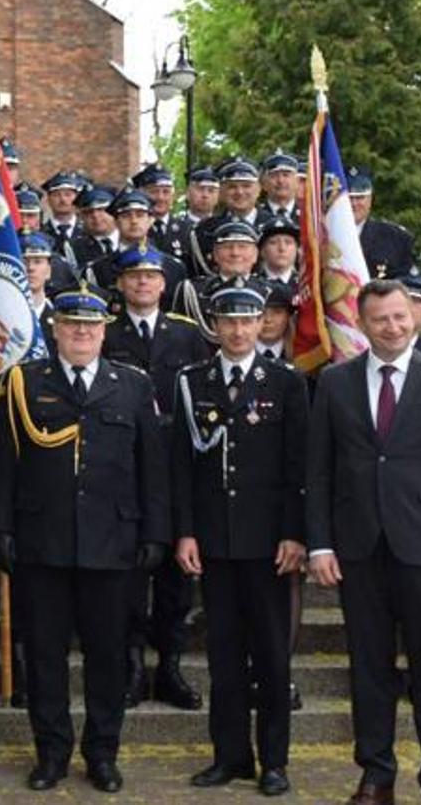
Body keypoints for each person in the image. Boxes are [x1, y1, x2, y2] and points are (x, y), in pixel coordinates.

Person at [306, 279, 421, 805]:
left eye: (400, 316)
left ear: (416, 316)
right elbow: (319, 471)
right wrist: (320, 545)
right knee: (369, 668)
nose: (392, 326)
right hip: (358, 549)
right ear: (362, 323)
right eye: (380, 318)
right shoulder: (335, 383)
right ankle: (376, 774)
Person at [0, 288, 168, 793]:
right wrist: (0, 527)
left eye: (90, 327)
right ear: (56, 330)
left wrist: (156, 531)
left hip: (112, 545)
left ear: (104, 331)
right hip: (41, 542)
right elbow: (4, 463)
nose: (82, 333)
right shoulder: (24, 382)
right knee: (44, 656)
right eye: (72, 326)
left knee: (108, 657)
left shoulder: (131, 385)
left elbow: (151, 466)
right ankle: (51, 753)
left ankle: (102, 753)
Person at [171, 286, 309, 796]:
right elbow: (181, 466)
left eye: (248, 321)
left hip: (269, 544)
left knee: (272, 658)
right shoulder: (192, 381)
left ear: (262, 325)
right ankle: (229, 757)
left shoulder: (286, 383)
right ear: (214, 325)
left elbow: (300, 466)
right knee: (223, 657)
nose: (238, 330)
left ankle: (274, 761)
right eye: (228, 322)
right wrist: (184, 531)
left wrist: (296, 532)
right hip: (214, 542)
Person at [101, 246, 210, 711]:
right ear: (121, 284)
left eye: (151, 276)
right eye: (134, 277)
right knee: (126, 580)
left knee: (174, 583)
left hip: (174, 467)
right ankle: (129, 668)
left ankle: (169, 668)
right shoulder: (104, 332)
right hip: (121, 468)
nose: (143, 284)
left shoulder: (187, 335)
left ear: (164, 284)